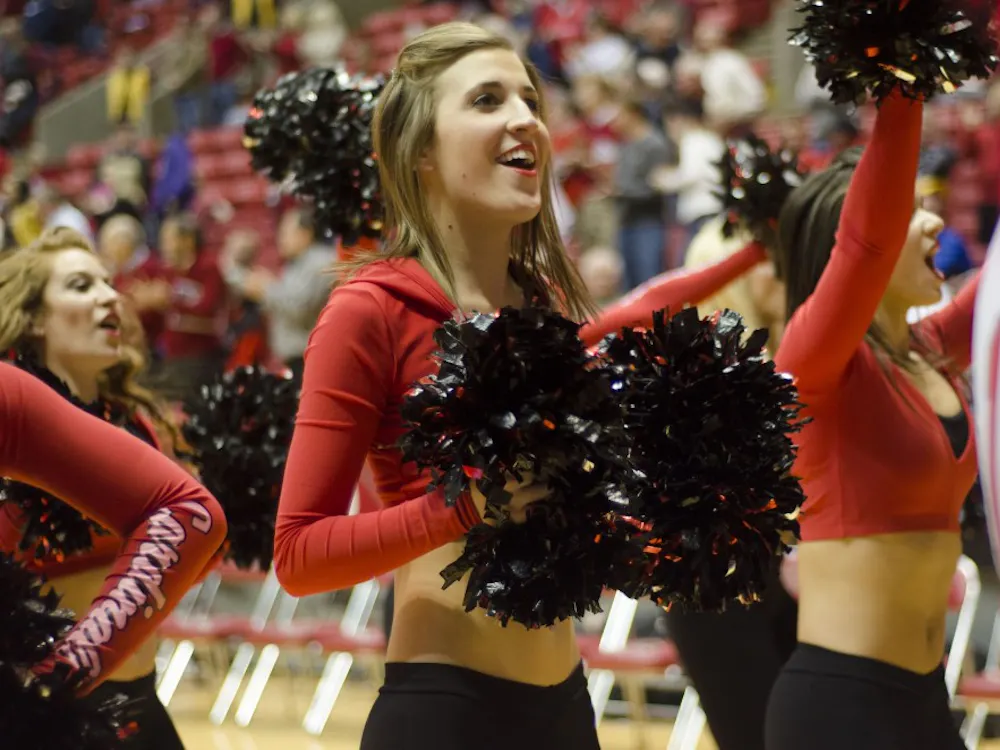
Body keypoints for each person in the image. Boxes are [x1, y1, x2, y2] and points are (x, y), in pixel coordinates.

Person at [274, 22, 602, 749]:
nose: (525, 118)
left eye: (529, 97)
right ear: (420, 150)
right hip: (445, 713)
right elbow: (298, 555)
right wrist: (466, 506)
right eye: (487, 100)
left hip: (569, 708)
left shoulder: (546, 303)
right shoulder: (370, 310)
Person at [764, 88, 980, 750]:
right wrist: (902, 80)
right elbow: (867, 238)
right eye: (910, 210)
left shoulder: (929, 352)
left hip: (926, 697)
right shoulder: (816, 365)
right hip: (841, 707)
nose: (933, 220)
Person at [0, 227, 194, 748]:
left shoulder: (142, 423)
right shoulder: (11, 429)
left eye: (110, 284)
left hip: (142, 702)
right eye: (82, 286)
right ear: (36, 316)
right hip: (50, 713)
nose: (110, 296)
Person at [0, 360, 226, 694]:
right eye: (80, 300)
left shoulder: (131, 421)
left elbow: (190, 515)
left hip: (121, 695)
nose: (110, 303)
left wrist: (52, 685)